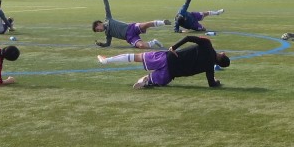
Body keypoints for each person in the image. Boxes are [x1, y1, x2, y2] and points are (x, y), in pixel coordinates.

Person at [97, 36, 230, 89]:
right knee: (151, 79)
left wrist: (174, 47)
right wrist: (217, 82)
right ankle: (145, 81)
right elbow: (211, 84)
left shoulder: (207, 44)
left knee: (137, 57)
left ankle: (106, 60)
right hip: (170, 74)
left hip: (168, 58)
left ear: (223, 54)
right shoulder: (209, 67)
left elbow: (189, 37)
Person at [92, 0, 171, 49]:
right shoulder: (107, 34)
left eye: (98, 29)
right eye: (98, 31)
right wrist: (101, 44)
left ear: (99, 23)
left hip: (131, 27)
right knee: (142, 46)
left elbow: (106, 6)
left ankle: (163, 22)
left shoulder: (108, 19)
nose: (99, 31)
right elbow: (108, 44)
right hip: (130, 37)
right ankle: (154, 42)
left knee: (146, 24)